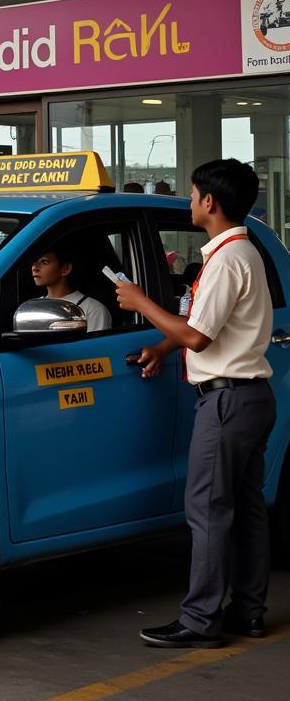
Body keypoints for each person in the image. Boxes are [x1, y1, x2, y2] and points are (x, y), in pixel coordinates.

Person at [116, 159, 276, 649]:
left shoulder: (228, 258)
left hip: (226, 402)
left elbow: (200, 337)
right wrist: (164, 348)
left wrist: (140, 302)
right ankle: (247, 611)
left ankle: (200, 621)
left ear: (210, 201)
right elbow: (207, 329)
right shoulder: (240, 252)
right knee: (245, 511)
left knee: (207, 511)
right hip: (249, 398)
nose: (188, 202)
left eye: (191, 194)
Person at [30, 243, 111, 332]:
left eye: (45, 262)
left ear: (66, 268)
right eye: (34, 262)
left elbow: (97, 345)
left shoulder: (93, 309)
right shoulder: (34, 307)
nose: (34, 267)